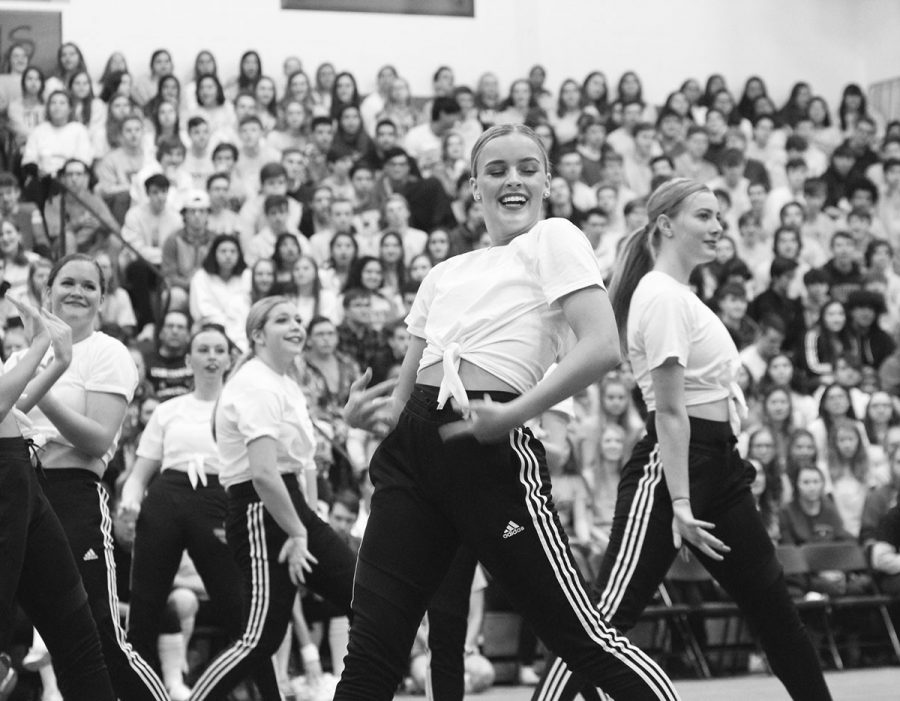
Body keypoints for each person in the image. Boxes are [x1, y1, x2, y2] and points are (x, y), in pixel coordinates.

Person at [333, 124, 678, 701]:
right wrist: (363, 416)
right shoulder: (444, 273)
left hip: (491, 448)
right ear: (473, 187)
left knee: (581, 637)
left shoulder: (555, 238)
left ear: (547, 181)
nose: (512, 180)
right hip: (411, 457)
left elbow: (602, 347)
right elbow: (402, 395)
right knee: (371, 650)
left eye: (526, 168)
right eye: (496, 171)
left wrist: (514, 414)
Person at [534, 178, 831, 701]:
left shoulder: (680, 295)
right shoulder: (662, 296)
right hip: (673, 470)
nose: (718, 227)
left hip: (719, 467)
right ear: (666, 226)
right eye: (704, 216)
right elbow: (670, 413)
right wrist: (682, 502)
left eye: (719, 216)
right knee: (602, 621)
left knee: (775, 612)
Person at [6, 253, 169, 701]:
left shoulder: (107, 352)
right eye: (67, 283)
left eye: (89, 286)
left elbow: (97, 440)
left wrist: (45, 387)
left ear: (102, 297)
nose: (77, 292)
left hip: (72, 493)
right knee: (40, 631)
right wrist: (42, 364)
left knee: (97, 627)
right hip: (18, 491)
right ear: (47, 292)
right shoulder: (20, 356)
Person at [186, 297, 357, 700]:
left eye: (298, 319)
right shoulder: (255, 384)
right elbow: (263, 473)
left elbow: (304, 464)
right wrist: (298, 532)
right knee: (259, 638)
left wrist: (312, 524)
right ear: (258, 335)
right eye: (283, 320)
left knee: (365, 599)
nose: (297, 326)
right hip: (260, 511)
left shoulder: (284, 382)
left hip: (292, 506)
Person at [120, 325, 278, 700]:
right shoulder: (167, 409)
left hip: (219, 499)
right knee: (145, 606)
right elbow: (139, 474)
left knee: (239, 609)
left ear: (228, 359)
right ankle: (136, 694)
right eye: (202, 350)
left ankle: (270, 694)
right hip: (166, 498)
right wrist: (130, 501)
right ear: (188, 360)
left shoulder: (241, 407)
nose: (210, 357)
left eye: (218, 350)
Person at [0, 295, 117, 701]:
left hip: (21, 473)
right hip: (6, 480)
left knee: (78, 638)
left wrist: (57, 363)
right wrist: (37, 349)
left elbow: (13, 406)